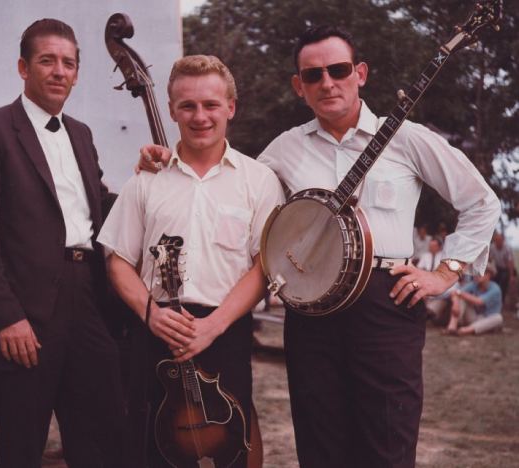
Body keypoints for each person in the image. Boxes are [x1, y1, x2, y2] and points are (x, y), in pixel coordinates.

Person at [138, 25, 500, 468]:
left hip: (387, 304)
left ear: (360, 73)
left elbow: (481, 201)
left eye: (338, 70)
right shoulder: (283, 151)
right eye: (313, 75)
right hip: (311, 317)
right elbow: (225, 184)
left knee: (387, 444)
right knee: (320, 446)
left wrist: (445, 272)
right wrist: (163, 163)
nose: (327, 82)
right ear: (299, 87)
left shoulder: (407, 137)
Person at [0, 19, 124, 468]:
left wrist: (148, 183)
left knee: (100, 439)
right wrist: (8, 315)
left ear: (77, 72)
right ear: (23, 68)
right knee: (22, 446)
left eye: (68, 63)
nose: (59, 71)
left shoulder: (82, 134)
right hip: (26, 311)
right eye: (47, 60)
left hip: (89, 296)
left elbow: (97, 207)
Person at [97, 55, 284, 467]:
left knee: (229, 453)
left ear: (231, 107)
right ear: (171, 111)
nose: (200, 116)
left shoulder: (259, 181)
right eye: (188, 106)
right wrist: (150, 314)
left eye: (211, 105)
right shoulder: (146, 181)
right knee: (153, 453)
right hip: (157, 334)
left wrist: (212, 327)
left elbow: (264, 265)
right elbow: (118, 261)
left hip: (226, 332)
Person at [444, 263, 503, 335]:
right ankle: (452, 327)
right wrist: (456, 302)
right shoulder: (474, 284)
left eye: (479, 273)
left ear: (488, 275)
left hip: (488, 319)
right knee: (461, 298)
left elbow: (479, 301)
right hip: (474, 317)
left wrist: (459, 293)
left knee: (498, 318)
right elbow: (454, 293)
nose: (476, 275)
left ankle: (465, 330)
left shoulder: (495, 289)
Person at [489, 231, 515, 303]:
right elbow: (490, 259)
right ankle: (493, 298)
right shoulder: (492, 247)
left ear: (503, 240)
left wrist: (511, 276)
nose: (498, 242)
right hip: (497, 267)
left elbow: (510, 262)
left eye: (500, 240)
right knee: (494, 281)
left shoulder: (507, 248)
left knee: (503, 283)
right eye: (496, 240)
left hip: (506, 269)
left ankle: (501, 300)